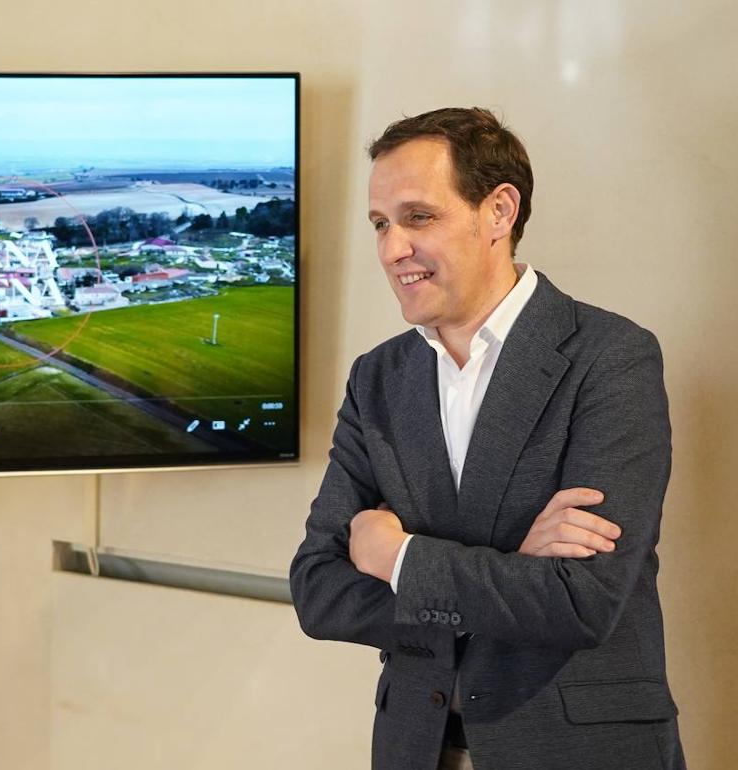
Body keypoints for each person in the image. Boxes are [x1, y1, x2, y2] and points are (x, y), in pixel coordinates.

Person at [289, 107, 685, 770]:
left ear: (499, 211)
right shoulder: (379, 378)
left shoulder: (611, 358)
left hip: (578, 751)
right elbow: (318, 591)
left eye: (418, 217)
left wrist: (400, 559)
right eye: (381, 225)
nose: (391, 250)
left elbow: (580, 601)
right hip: (417, 748)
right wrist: (513, 563)